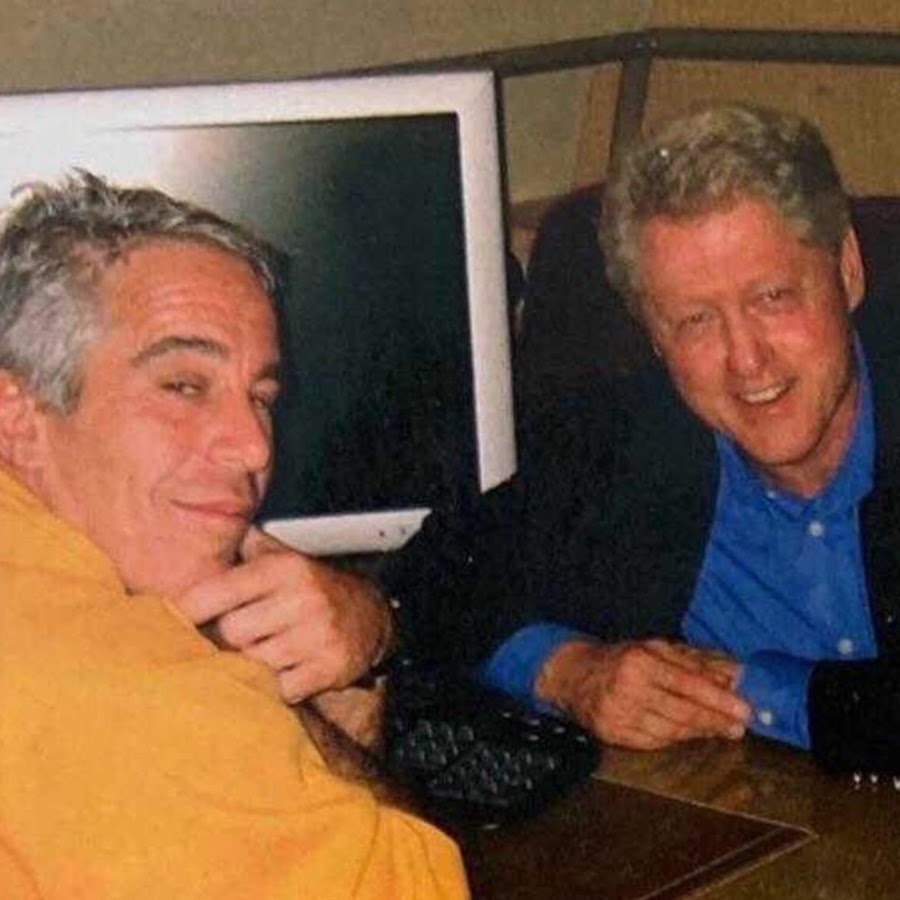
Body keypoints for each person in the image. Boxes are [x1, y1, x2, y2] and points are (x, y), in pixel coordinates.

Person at [354, 103, 900, 774]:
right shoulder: (625, 438)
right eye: (695, 321)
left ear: (847, 270)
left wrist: (750, 691)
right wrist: (568, 671)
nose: (746, 360)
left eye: (772, 298)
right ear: (652, 334)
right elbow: (429, 581)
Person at [0, 170, 465, 898]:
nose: (253, 446)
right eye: (185, 386)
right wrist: (344, 666)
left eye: (262, 397)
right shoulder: (145, 705)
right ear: (17, 416)